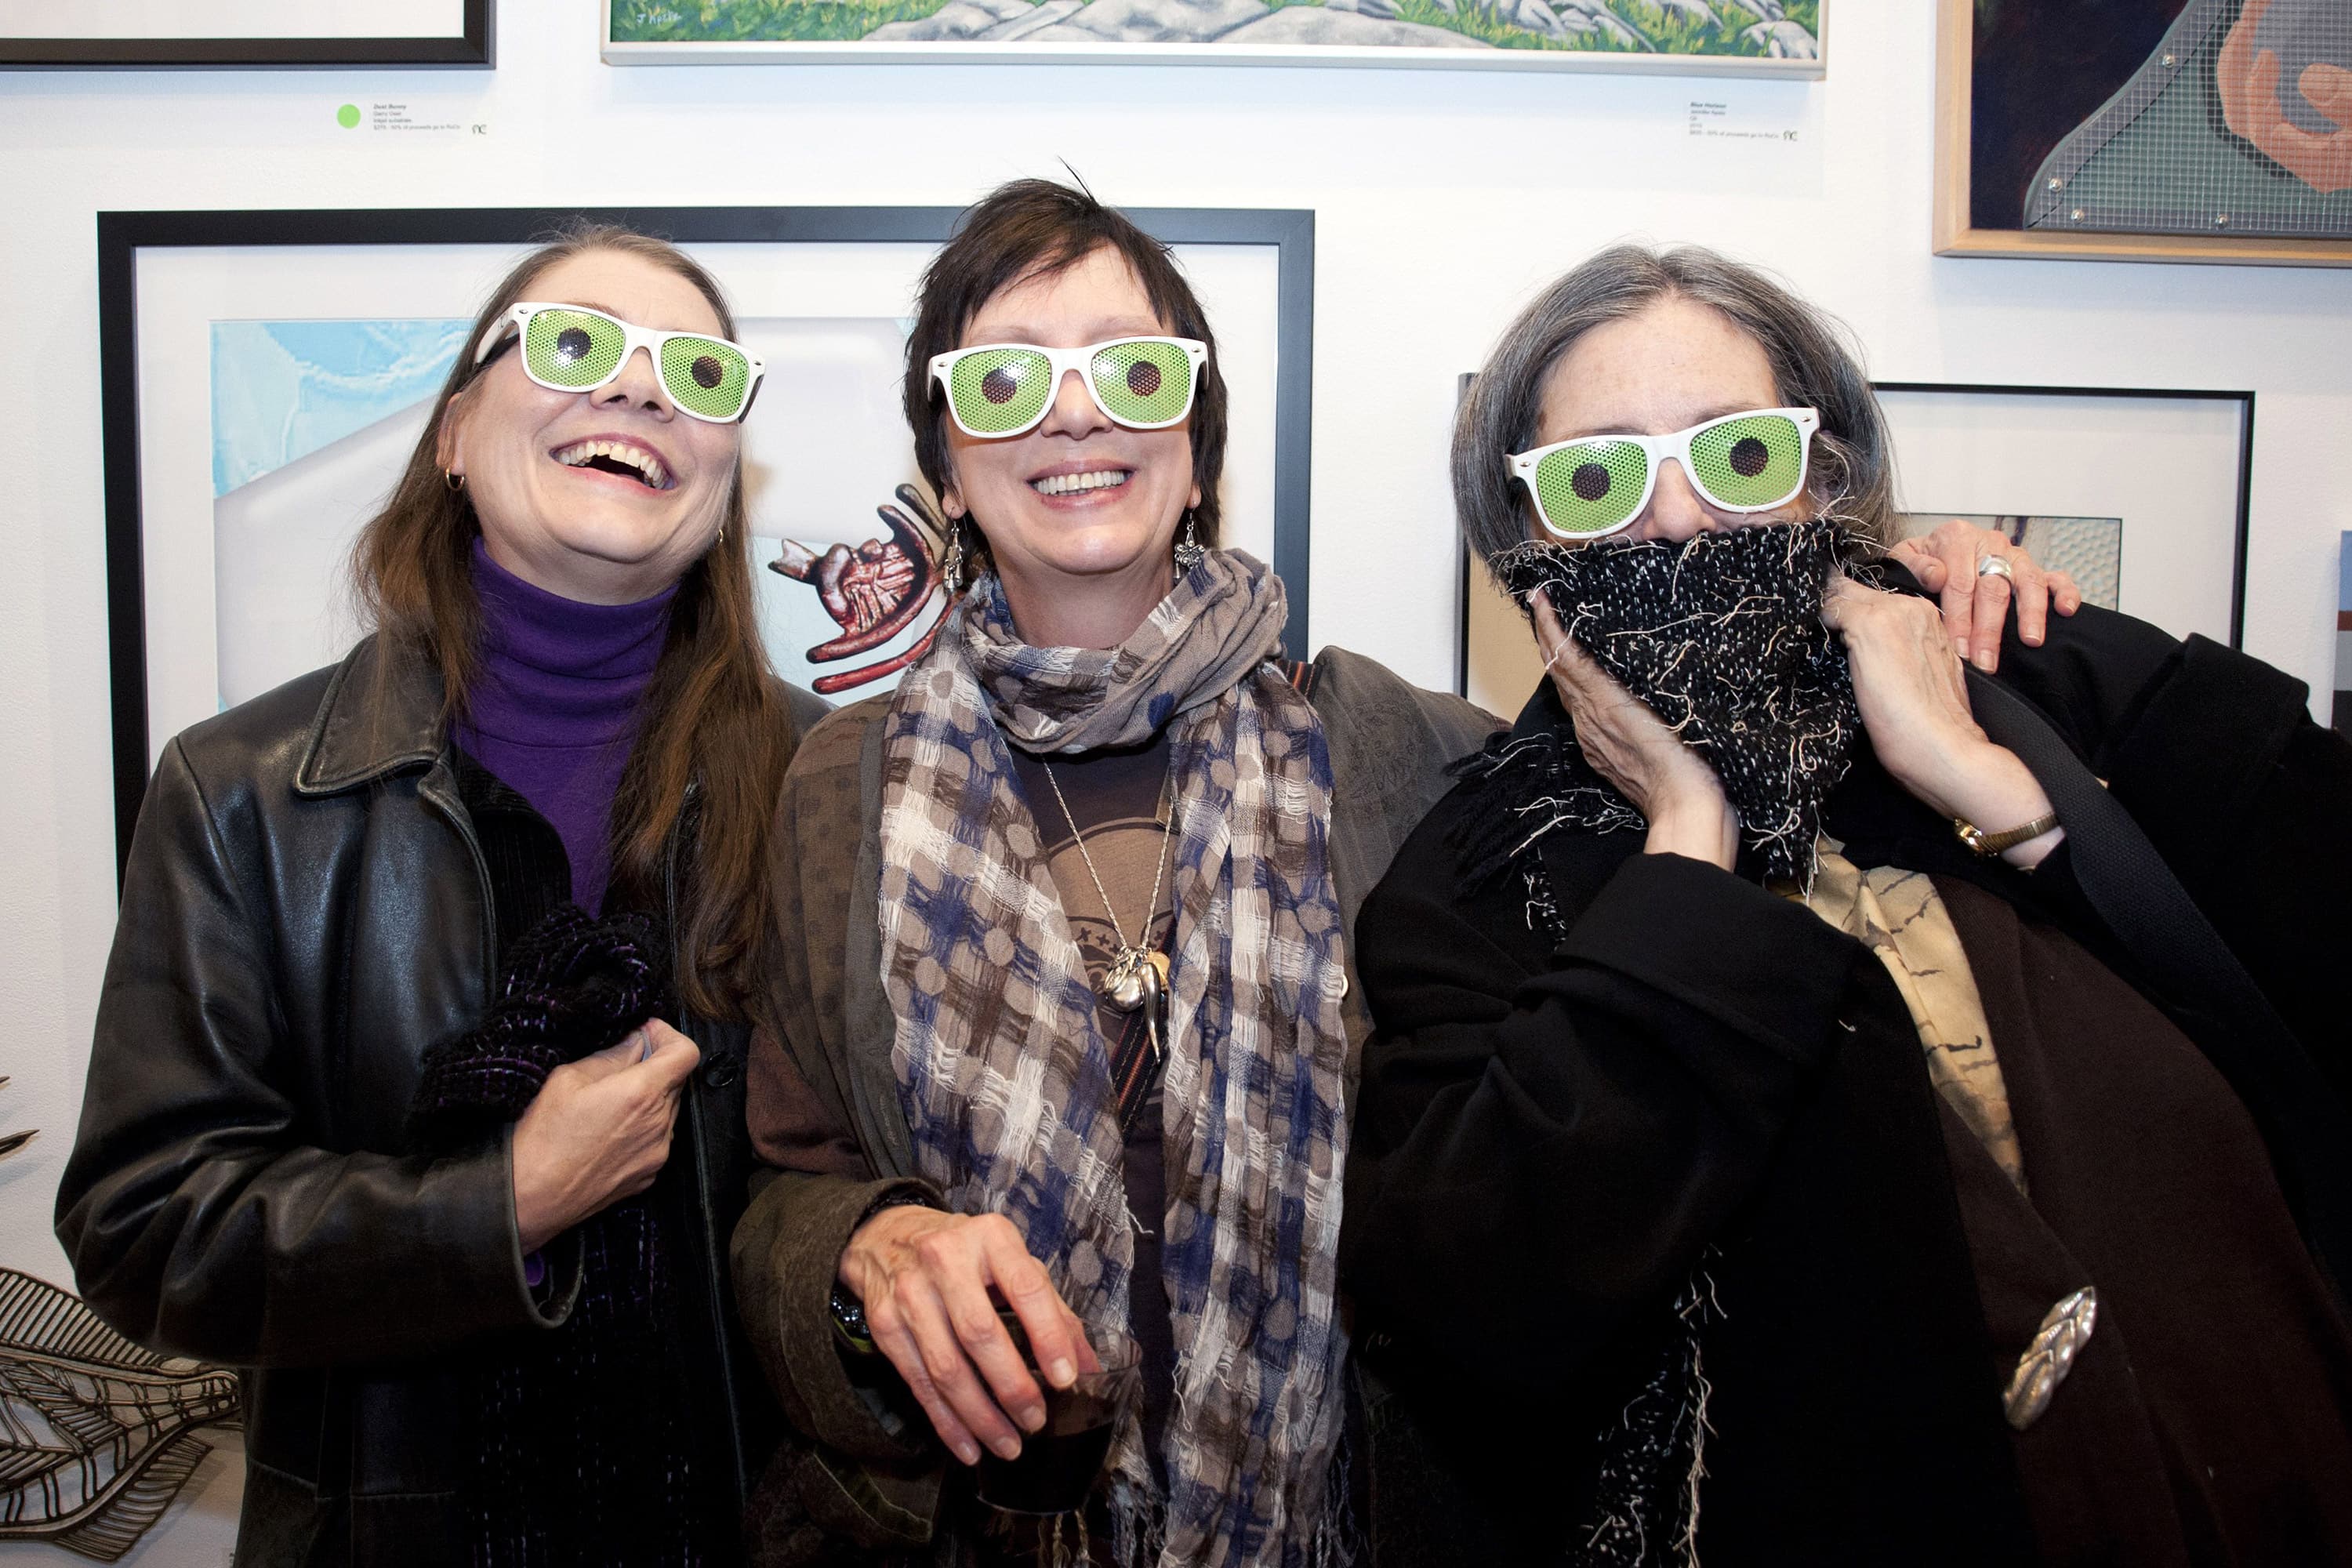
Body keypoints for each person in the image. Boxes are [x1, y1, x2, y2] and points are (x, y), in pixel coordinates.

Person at [1338, 242, 2352, 1566]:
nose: (1683, 520)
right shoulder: (1479, 881)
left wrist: (2012, 799)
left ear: (1826, 478)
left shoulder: (2041, 677)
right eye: (1600, 477)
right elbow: (1476, 1312)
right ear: (1524, 542)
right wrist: (1686, 846)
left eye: (1740, 455)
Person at [56, 227, 826, 1567]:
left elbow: (844, 1178)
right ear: (457, 433)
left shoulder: (826, 778)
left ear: (722, 478)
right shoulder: (244, 794)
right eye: (575, 345)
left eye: (696, 374)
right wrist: (502, 1203)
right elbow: (145, 1231)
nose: (638, 388)